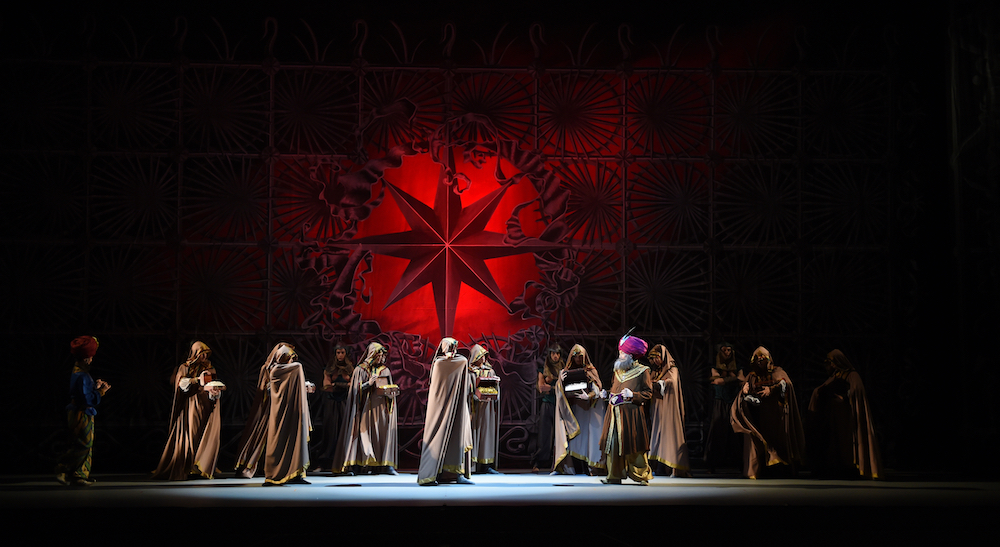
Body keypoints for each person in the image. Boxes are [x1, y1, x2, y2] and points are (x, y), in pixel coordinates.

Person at [730, 346, 805, 479]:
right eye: (757, 359)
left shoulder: (777, 371)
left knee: (778, 443)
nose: (760, 361)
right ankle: (761, 469)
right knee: (760, 441)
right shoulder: (752, 376)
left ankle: (781, 470)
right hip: (759, 415)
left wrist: (772, 389)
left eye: (762, 358)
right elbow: (745, 391)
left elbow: (786, 384)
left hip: (776, 416)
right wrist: (745, 391)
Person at [152, 341, 223, 480]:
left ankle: (199, 466)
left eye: (206, 354)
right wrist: (196, 380)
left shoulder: (209, 368)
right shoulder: (185, 367)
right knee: (191, 434)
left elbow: (211, 383)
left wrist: (214, 391)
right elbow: (181, 384)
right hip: (191, 405)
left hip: (205, 405)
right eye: (201, 354)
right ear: (195, 354)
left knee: (203, 434)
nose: (204, 357)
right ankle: (187, 466)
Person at [806, 349, 881, 479]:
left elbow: (856, 391)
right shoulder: (836, 375)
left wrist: (844, 398)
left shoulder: (852, 375)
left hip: (848, 418)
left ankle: (851, 468)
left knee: (847, 442)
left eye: (832, 362)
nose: (831, 365)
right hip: (834, 417)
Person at [332, 341, 398, 475]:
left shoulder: (385, 370)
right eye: (379, 355)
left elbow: (389, 388)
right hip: (364, 410)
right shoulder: (360, 370)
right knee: (362, 435)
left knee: (381, 435)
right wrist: (369, 383)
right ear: (372, 355)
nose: (381, 358)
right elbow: (355, 391)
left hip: (380, 409)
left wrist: (391, 393)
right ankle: (357, 464)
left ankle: (384, 465)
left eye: (383, 356)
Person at [418, 338, 474, 485]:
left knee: (457, 435)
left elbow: (463, 368)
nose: (453, 351)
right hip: (440, 407)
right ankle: (430, 474)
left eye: (454, 348)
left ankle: (455, 474)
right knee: (437, 436)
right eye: (450, 348)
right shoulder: (439, 363)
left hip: (456, 405)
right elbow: (438, 387)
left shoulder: (461, 361)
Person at [599, 333, 653, 485]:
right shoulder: (618, 371)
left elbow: (648, 393)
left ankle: (642, 476)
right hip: (614, 414)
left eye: (622, 353)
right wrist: (606, 394)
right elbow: (614, 389)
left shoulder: (643, 371)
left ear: (630, 355)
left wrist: (633, 395)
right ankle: (613, 476)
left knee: (634, 445)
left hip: (631, 415)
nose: (620, 355)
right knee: (613, 445)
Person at [55, 336, 110, 487]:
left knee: (86, 443)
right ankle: (62, 467)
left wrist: (95, 387)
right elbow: (87, 399)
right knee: (83, 443)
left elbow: (84, 392)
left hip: (82, 412)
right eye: (90, 358)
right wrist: (101, 391)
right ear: (86, 359)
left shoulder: (79, 372)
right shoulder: (82, 375)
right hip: (81, 413)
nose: (91, 360)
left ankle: (78, 474)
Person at [262, 343, 313, 485]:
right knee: (278, 441)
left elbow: (293, 386)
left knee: (295, 440)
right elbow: (294, 371)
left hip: (293, 411)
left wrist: (304, 386)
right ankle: (273, 475)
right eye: (290, 358)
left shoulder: (290, 371)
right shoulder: (277, 371)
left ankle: (295, 474)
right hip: (280, 413)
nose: (292, 361)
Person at [552, 344, 606, 475]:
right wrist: (561, 381)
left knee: (588, 440)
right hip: (573, 411)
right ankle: (569, 467)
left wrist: (589, 396)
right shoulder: (565, 371)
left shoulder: (590, 370)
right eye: (575, 357)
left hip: (587, 411)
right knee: (574, 440)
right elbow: (559, 391)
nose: (578, 359)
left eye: (580, 356)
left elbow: (597, 389)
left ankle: (589, 467)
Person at [647, 344, 690, 477]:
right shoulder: (656, 371)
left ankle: (675, 468)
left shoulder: (672, 369)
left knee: (670, 435)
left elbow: (671, 382)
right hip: (658, 408)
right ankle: (659, 467)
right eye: (653, 358)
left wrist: (660, 383)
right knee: (658, 435)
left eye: (657, 357)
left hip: (669, 408)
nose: (655, 361)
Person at [704, 342, 744, 472]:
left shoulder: (738, 365)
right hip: (720, 401)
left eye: (729, 350)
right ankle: (712, 464)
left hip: (733, 401)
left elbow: (742, 380)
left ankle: (739, 464)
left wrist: (727, 380)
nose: (727, 353)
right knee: (717, 431)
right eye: (724, 350)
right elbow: (717, 381)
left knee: (735, 432)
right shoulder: (714, 366)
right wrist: (733, 379)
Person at [313, 343, 354, 472]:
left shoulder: (351, 369)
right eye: (338, 352)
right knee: (329, 431)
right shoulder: (329, 369)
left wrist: (338, 385)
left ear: (346, 353)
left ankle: (345, 462)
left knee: (345, 430)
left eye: (342, 352)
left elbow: (353, 385)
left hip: (345, 402)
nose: (340, 355)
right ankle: (324, 462)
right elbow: (326, 386)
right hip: (331, 402)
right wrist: (342, 386)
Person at [468, 343, 501, 474]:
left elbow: (495, 387)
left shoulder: (490, 371)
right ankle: (472, 465)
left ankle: (486, 465)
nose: (483, 358)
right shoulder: (470, 372)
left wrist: (495, 391)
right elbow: (468, 388)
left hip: (487, 408)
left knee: (486, 434)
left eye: (484, 356)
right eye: (480, 356)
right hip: (474, 408)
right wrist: (474, 396)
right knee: (473, 433)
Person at [530, 344, 563, 473]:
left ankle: (559, 464)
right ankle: (537, 462)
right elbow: (542, 387)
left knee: (560, 436)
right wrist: (554, 388)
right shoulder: (543, 369)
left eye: (557, 353)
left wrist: (552, 388)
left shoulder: (563, 368)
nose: (555, 356)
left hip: (561, 404)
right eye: (553, 353)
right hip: (548, 403)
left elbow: (564, 388)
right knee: (544, 435)